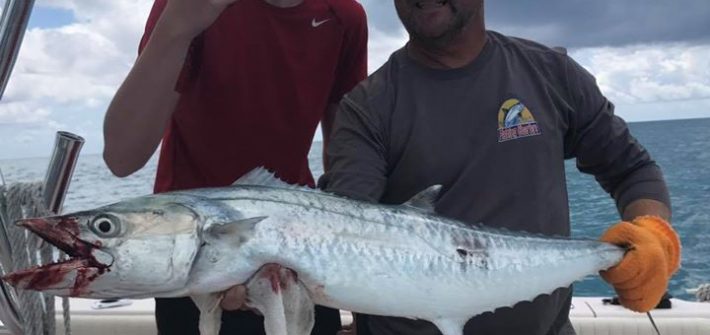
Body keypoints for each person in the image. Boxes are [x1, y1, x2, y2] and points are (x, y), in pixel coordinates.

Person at [315, 0, 681, 334]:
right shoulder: (366, 109)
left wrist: (651, 234)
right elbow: (342, 232)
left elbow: (632, 170)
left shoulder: (551, 74)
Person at [102, 0, 368, 334]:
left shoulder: (344, 16)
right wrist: (177, 27)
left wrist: (362, 303)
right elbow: (122, 156)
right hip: (190, 249)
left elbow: (344, 155)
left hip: (296, 249)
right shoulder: (189, 7)